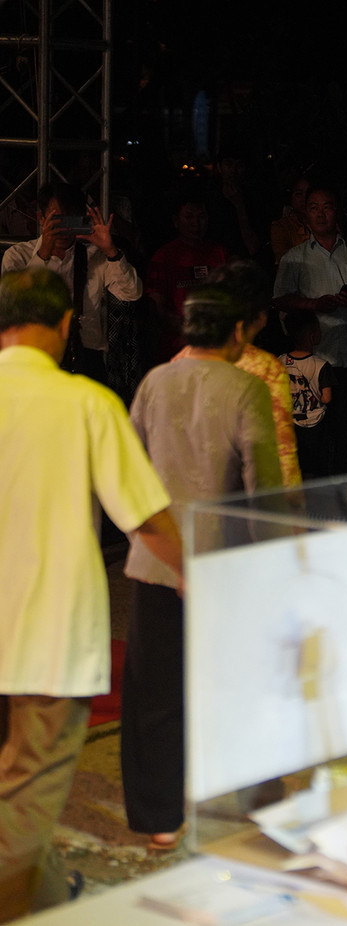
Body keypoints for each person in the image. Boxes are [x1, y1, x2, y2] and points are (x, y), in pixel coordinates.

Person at [0, 268, 180, 921]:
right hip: (49, 640)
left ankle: (44, 894)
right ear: (66, 325)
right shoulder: (85, 402)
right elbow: (150, 523)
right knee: (24, 802)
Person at [123, 283, 282, 853]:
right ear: (236, 332)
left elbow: (130, 472)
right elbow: (261, 484)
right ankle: (259, 801)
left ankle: (159, 819)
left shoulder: (152, 382)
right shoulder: (244, 387)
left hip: (154, 563)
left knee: (154, 694)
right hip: (224, 567)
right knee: (249, 682)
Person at [272, 185, 347, 473]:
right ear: (304, 213)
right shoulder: (294, 257)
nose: (321, 214)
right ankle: (315, 503)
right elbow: (279, 299)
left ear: (337, 210)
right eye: (313, 207)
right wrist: (312, 304)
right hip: (311, 362)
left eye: (327, 206)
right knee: (312, 440)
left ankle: (345, 501)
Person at [0, 181, 142, 383]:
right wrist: (42, 256)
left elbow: (132, 293)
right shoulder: (18, 256)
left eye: (71, 219)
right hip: (34, 358)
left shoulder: (95, 256)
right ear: (41, 218)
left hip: (86, 360)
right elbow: (14, 306)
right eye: (58, 219)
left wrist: (111, 251)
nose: (65, 227)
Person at [177, 262, 302, 486]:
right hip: (239, 499)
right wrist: (292, 507)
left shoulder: (180, 361)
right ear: (261, 316)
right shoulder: (265, 368)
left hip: (184, 497)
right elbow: (278, 451)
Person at [145, 194, 230, 362]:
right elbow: (156, 305)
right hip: (177, 350)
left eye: (201, 217)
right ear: (176, 221)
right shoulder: (164, 256)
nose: (196, 223)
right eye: (189, 217)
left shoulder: (219, 252)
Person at [279, 309, 335, 478]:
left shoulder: (279, 361)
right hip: (316, 423)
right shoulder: (321, 365)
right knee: (315, 465)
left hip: (289, 421)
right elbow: (327, 398)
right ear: (312, 336)